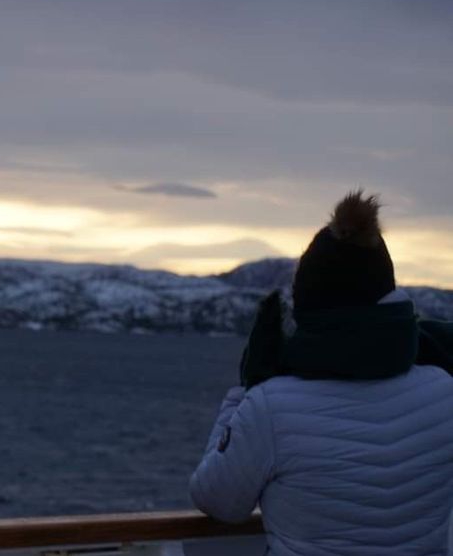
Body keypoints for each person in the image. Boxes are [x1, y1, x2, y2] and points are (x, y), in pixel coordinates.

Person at [190, 190, 453, 554]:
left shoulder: (271, 405)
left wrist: (245, 390)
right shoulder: (444, 391)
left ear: (309, 305)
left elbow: (219, 501)